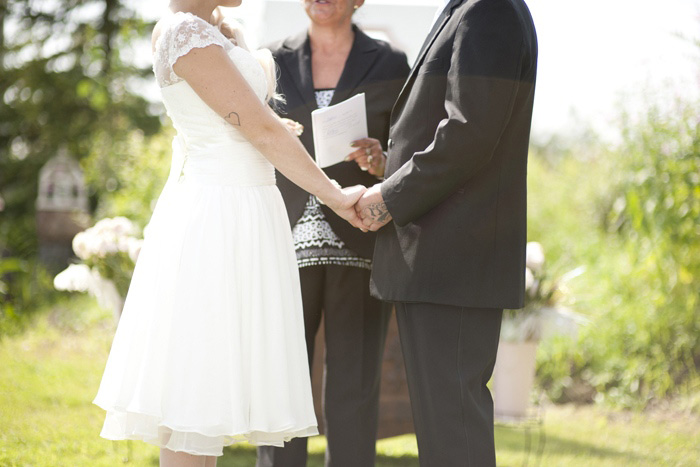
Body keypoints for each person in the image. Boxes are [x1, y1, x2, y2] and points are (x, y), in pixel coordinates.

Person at [92, 1, 369, 466]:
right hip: (215, 217)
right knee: (193, 391)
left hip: (250, 210)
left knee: (216, 393)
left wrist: (272, 128)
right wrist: (336, 196)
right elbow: (257, 128)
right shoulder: (182, 31)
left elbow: (246, 120)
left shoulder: (224, 29)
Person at [355, 0, 538, 465]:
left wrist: (386, 199)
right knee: (443, 433)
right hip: (444, 260)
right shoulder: (470, 9)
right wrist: (388, 167)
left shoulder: (490, 11)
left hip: (453, 260)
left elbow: (469, 132)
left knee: (453, 433)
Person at [257, 1, 410, 466]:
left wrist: (380, 161)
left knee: (353, 387)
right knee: (281, 385)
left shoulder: (391, 63)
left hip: (359, 235)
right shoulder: (270, 61)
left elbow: (408, 154)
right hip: (282, 238)